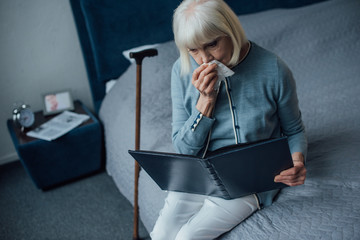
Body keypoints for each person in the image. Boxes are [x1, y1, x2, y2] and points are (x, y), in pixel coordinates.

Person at [150, 0, 307, 239]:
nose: (203, 59)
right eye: (193, 50)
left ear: (230, 31)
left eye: (212, 44)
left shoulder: (274, 69)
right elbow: (184, 149)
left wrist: (297, 162)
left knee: (187, 237)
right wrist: (205, 103)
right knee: (161, 234)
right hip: (199, 175)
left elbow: (294, 130)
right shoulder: (180, 71)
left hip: (250, 180)